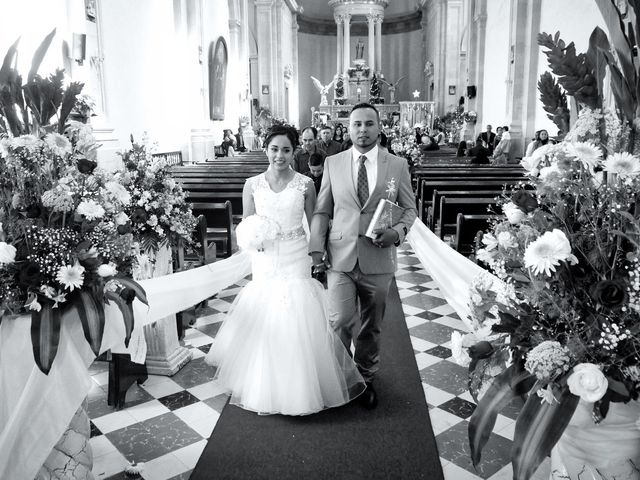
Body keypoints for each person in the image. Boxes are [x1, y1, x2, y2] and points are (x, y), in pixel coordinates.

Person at [205, 124, 365, 415]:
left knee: (296, 311)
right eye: (274, 149)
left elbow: (315, 222)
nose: (280, 155)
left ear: (295, 151)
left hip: (296, 254)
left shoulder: (305, 184)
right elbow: (247, 222)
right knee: (266, 311)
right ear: (266, 149)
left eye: (286, 150)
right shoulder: (252, 184)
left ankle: (302, 384)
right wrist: (252, 239)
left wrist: (319, 256)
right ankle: (264, 382)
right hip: (265, 258)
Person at [309, 103, 417, 409]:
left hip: (378, 258)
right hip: (340, 256)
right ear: (349, 126)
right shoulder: (333, 162)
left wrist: (397, 233)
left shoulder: (396, 165)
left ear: (379, 127)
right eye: (357, 124)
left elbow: (410, 209)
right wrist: (316, 249)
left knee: (372, 324)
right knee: (339, 320)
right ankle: (343, 379)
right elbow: (322, 209)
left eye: (369, 124)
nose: (363, 130)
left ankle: (366, 377)